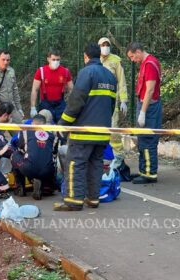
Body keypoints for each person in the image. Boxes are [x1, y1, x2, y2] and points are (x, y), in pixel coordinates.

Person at [54, 43, 117, 211]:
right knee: (96, 164)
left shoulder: (86, 73)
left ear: (86, 56)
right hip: (102, 132)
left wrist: (63, 123)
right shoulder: (110, 77)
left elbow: (76, 102)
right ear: (100, 56)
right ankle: (93, 199)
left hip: (83, 132)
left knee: (76, 164)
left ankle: (73, 201)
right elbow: (111, 106)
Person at [126, 42, 162, 184]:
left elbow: (150, 90)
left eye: (132, 56)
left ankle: (150, 173)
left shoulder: (150, 64)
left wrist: (143, 112)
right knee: (142, 139)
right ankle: (143, 170)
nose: (132, 60)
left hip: (150, 107)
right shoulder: (145, 63)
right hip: (145, 104)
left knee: (148, 139)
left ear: (138, 52)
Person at [98, 37, 129, 169]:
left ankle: (119, 157)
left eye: (107, 45)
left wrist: (123, 100)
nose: (105, 47)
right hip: (97, 101)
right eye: (103, 45)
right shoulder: (95, 60)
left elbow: (121, 81)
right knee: (98, 130)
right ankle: (102, 157)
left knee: (113, 129)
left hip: (112, 101)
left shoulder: (115, 60)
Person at [11, 114, 57, 199]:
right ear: (44, 124)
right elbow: (54, 151)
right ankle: (48, 187)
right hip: (48, 170)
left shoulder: (25, 131)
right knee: (49, 157)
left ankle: (20, 187)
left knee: (15, 154)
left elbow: (19, 146)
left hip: (29, 168)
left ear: (32, 123)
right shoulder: (52, 135)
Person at [30, 49, 73, 123]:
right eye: (53, 59)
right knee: (45, 127)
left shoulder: (65, 72)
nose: (56, 62)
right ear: (48, 59)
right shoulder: (41, 71)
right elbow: (35, 89)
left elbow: (71, 89)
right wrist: (33, 107)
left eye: (58, 59)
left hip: (60, 104)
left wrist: (72, 105)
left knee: (62, 126)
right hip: (46, 104)